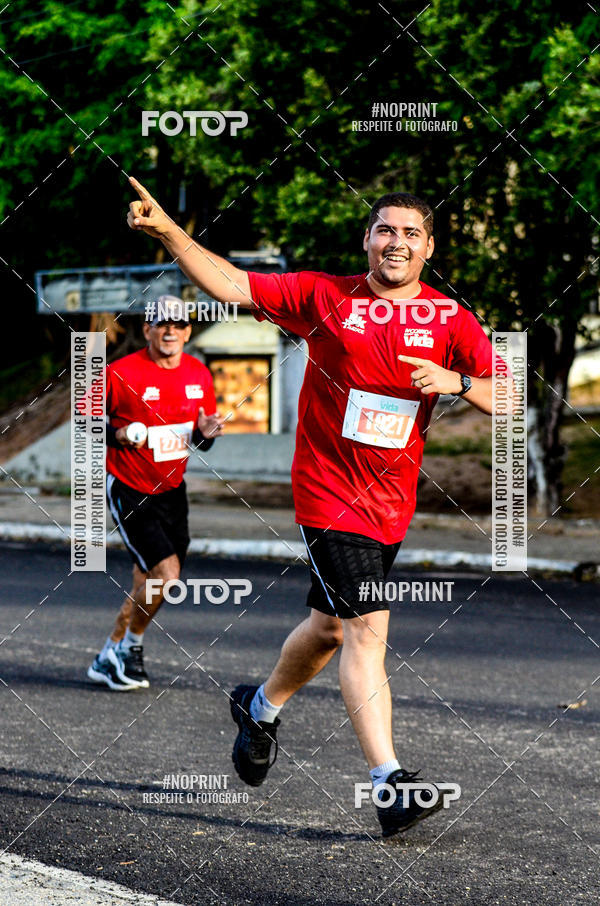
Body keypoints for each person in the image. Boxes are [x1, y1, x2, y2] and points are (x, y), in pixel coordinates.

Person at [125, 178, 496, 837]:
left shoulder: (451, 319)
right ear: (367, 239)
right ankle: (389, 785)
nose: (397, 242)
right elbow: (233, 284)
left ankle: (260, 708)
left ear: (429, 247)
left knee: (330, 629)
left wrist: (459, 381)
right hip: (329, 495)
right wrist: (169, 233)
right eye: (385, 230)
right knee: (367, 631)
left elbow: (512, 398)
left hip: (391, 504)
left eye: (411, 233)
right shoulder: (325, 295)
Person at [87, 296, 225, 691]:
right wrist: (117, 434)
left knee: (147, 580)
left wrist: (207, 434)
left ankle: (107, 655)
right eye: (162, 324)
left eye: (179, 325)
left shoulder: (199, 374)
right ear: (147, 329)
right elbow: (85, 419)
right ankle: (130, 648)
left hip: (172, 491)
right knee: (167, 575)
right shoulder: (120, 373)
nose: (170, 331)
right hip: (129, 488)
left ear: (188, 331)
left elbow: (201, 438)